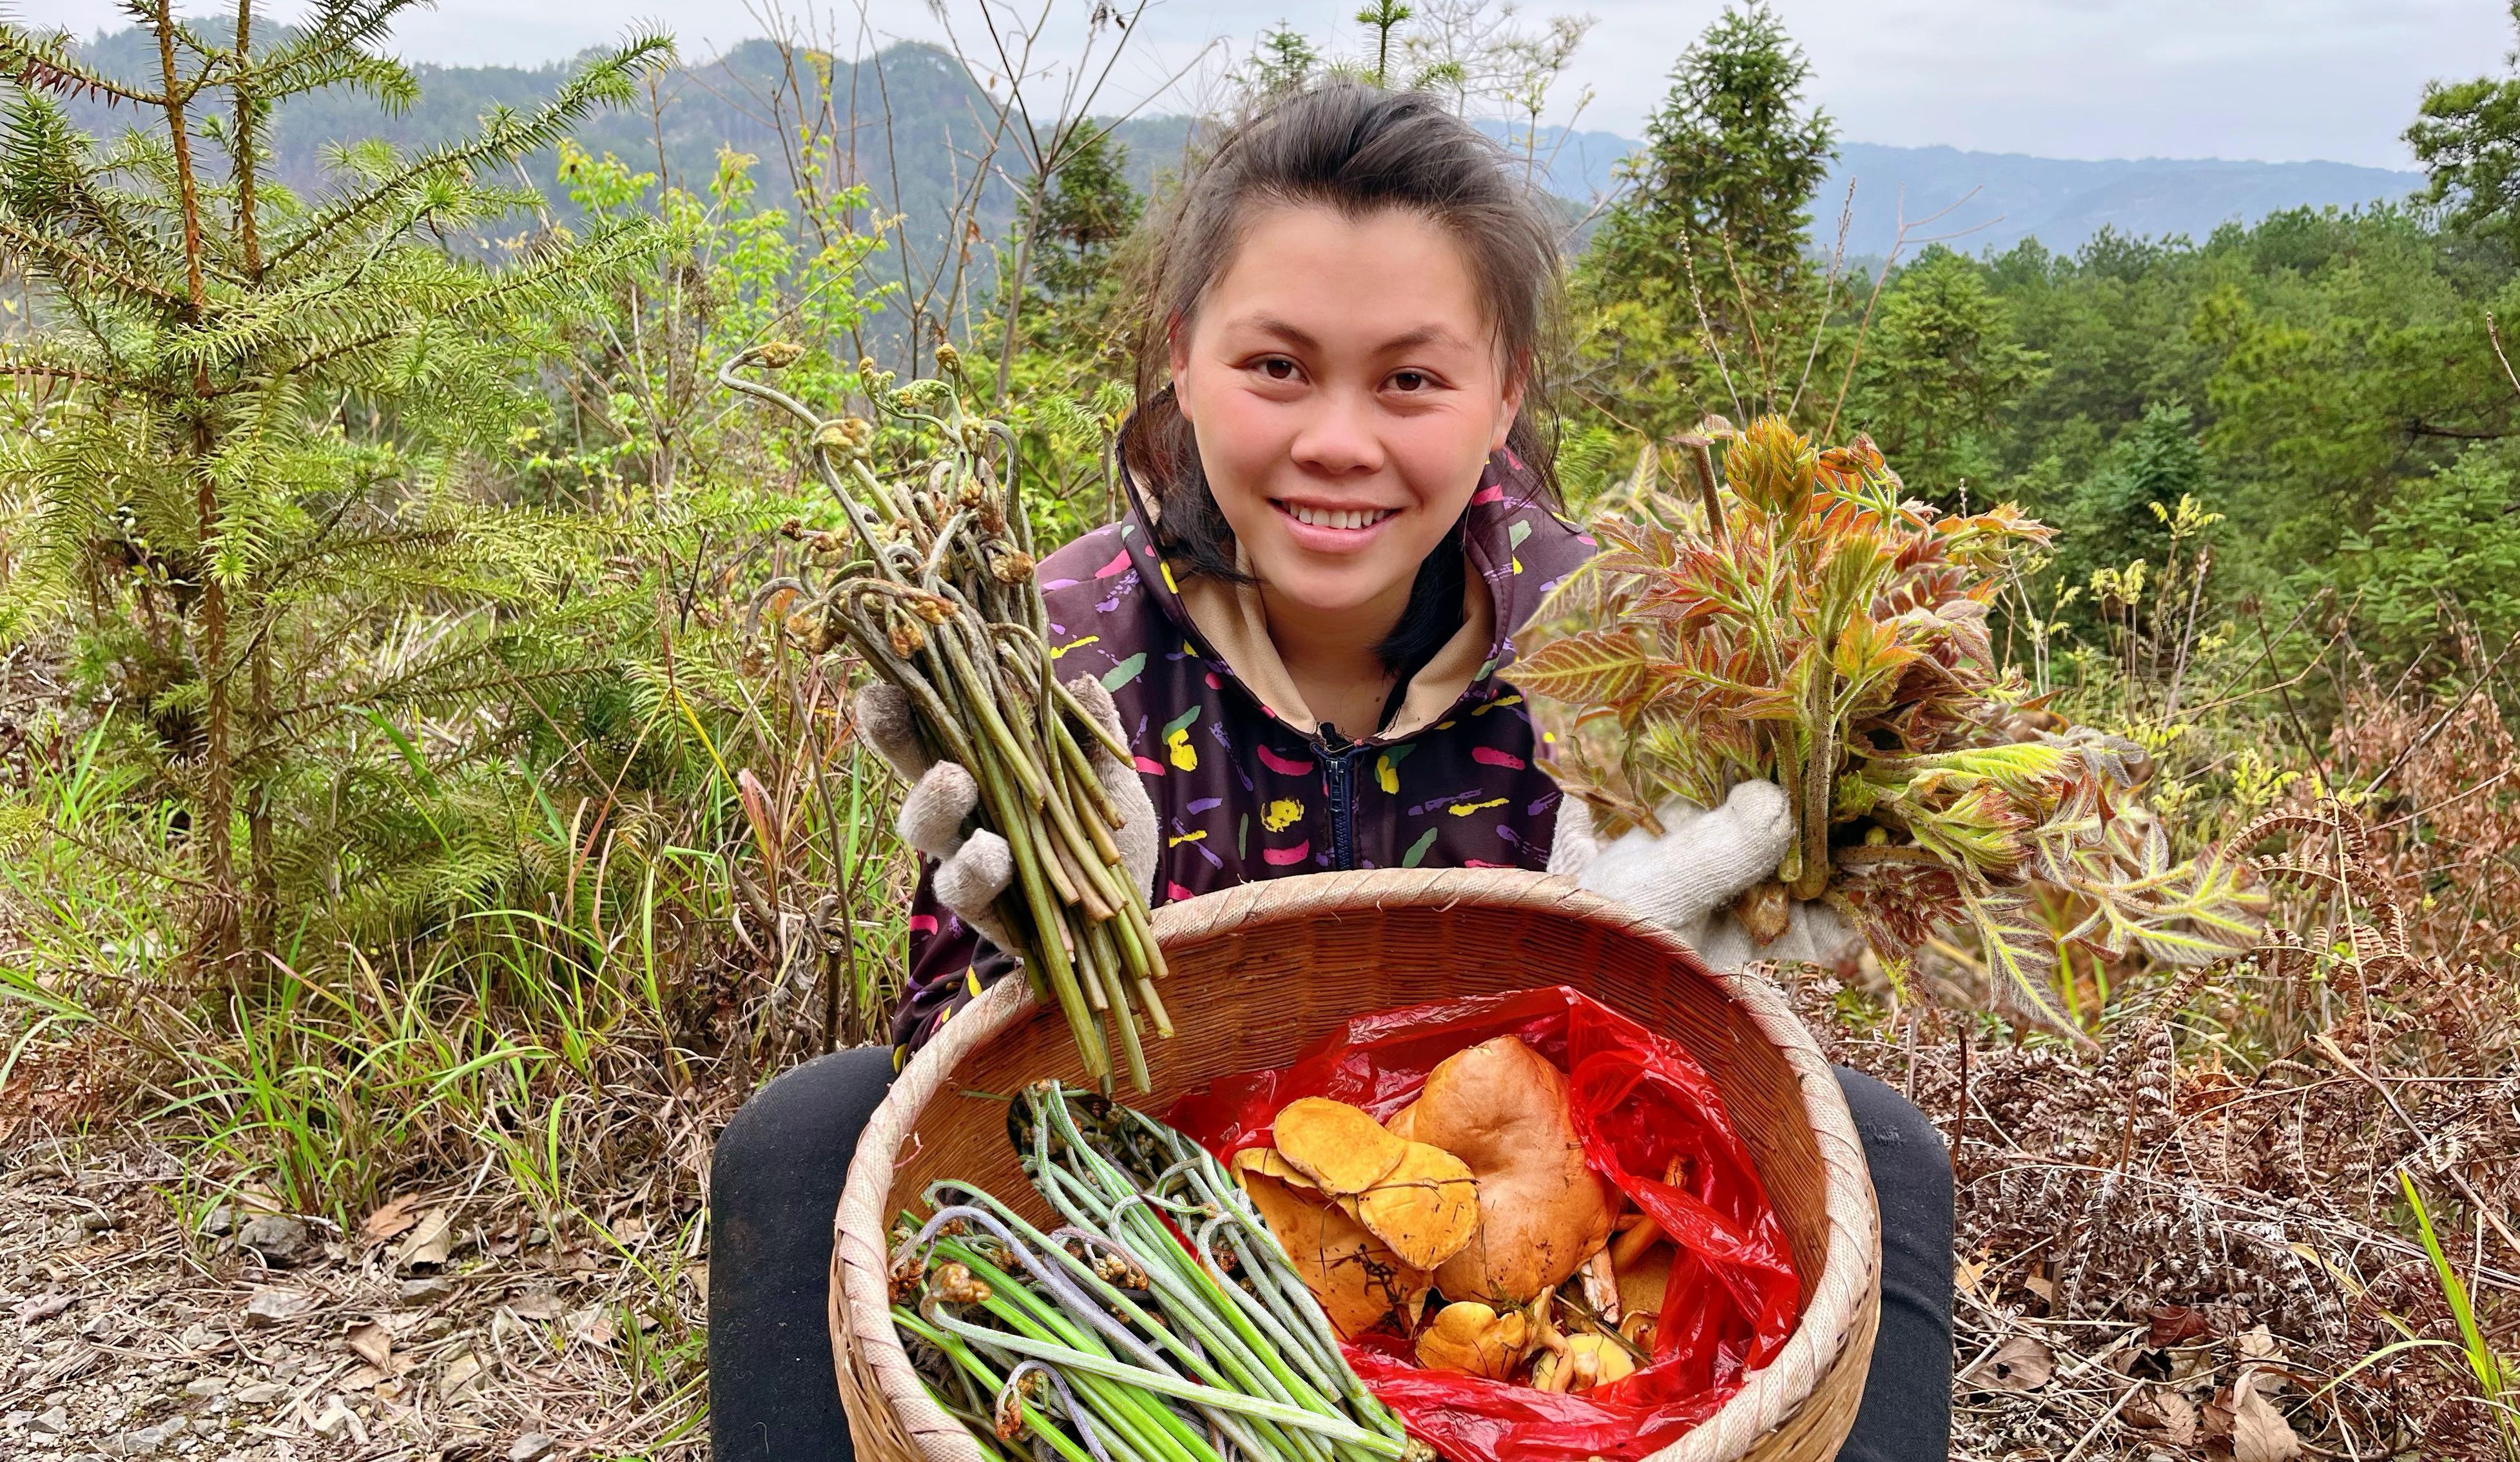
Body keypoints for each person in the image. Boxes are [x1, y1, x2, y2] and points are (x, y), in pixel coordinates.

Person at [708, 79, 1952, 1462]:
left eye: (1412, 379)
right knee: (802, 1141)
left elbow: (1669, 1078)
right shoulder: (1047, 656)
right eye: (1277, 367)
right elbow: (954, 1086)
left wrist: (1634, 956)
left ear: (1505, 390)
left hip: (1504, 1208)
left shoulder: (1611, 663)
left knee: (1881, 1150)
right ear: (1183, 358)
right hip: (1178, 1206)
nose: (1339, 442)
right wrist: (1050, 963)